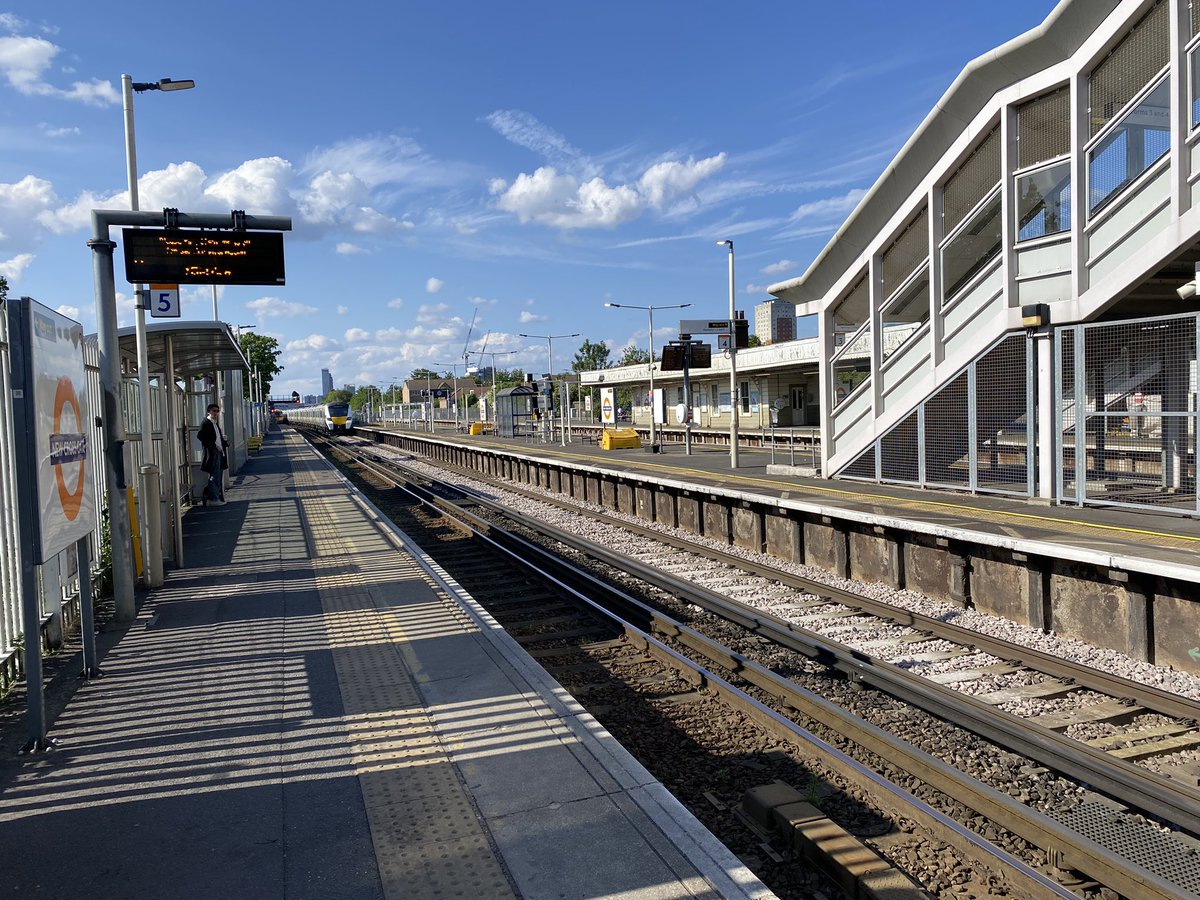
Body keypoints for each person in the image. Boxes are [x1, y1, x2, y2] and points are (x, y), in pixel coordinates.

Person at [198, 402, 228, 506]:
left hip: (219, 452)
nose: (215, 413)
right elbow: (200, 436)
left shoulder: (214, 423)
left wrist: (225, 444)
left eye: (217, 411)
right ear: (209, 411)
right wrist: (213, 446)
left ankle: (216, 497)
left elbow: (218, 437)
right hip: (213, 452)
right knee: (214, 476)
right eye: (213, 411)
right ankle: (213, 499)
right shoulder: (206, 422)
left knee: (218, 475)